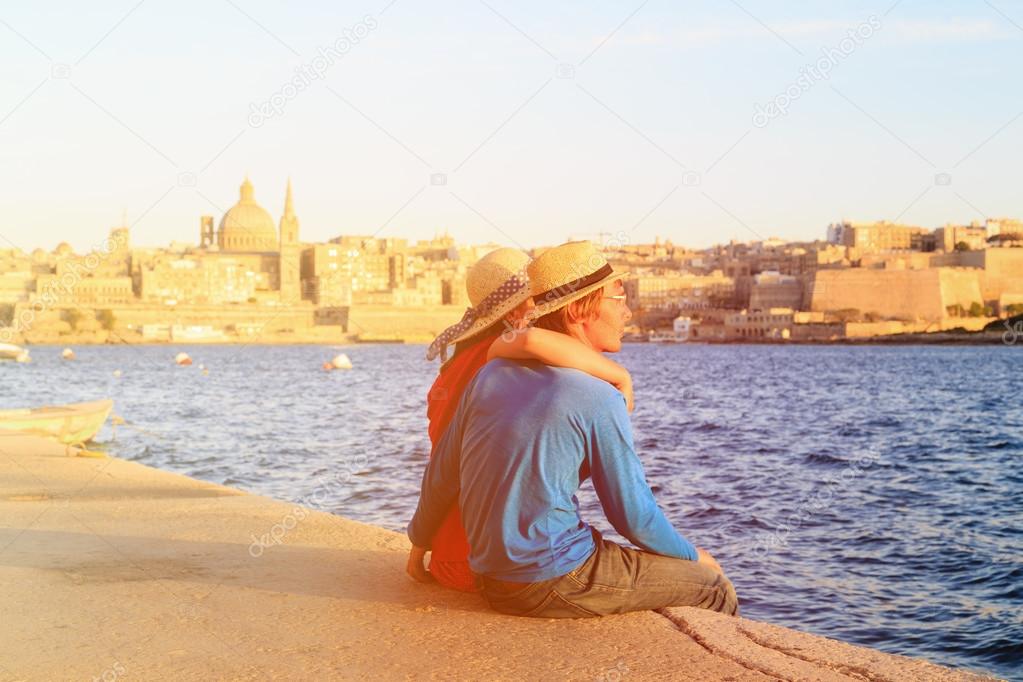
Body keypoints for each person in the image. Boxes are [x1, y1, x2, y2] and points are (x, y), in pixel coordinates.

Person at [408, 241, 737, 617]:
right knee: (713, 588)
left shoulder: (489, 374)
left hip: (488, 578)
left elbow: (442, 474)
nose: (628, 312)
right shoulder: (597, 395)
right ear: (582, 308)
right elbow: (634, 518)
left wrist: (418, 543)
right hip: (553, 580)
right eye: (619, 298)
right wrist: (698, 557)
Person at [417, 247, 635, 593]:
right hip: (484, 563)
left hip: (449, 555)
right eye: (540, 299)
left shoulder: (456, 367)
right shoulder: (508, 368)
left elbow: (441, 467)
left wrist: (421, 542)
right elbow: (533, 338)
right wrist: (618, 376)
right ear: (520, 308)